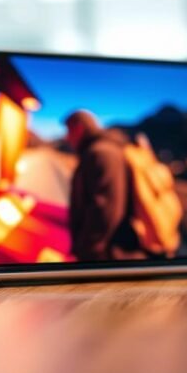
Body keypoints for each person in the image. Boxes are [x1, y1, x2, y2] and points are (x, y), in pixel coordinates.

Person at [64, 110, 142, 260]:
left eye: (69, 131)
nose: (67, 138)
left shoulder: (101, 153)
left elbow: (105, 209)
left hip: (109, 254)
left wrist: (86, 252)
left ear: (79, 128)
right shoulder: (103, 151)